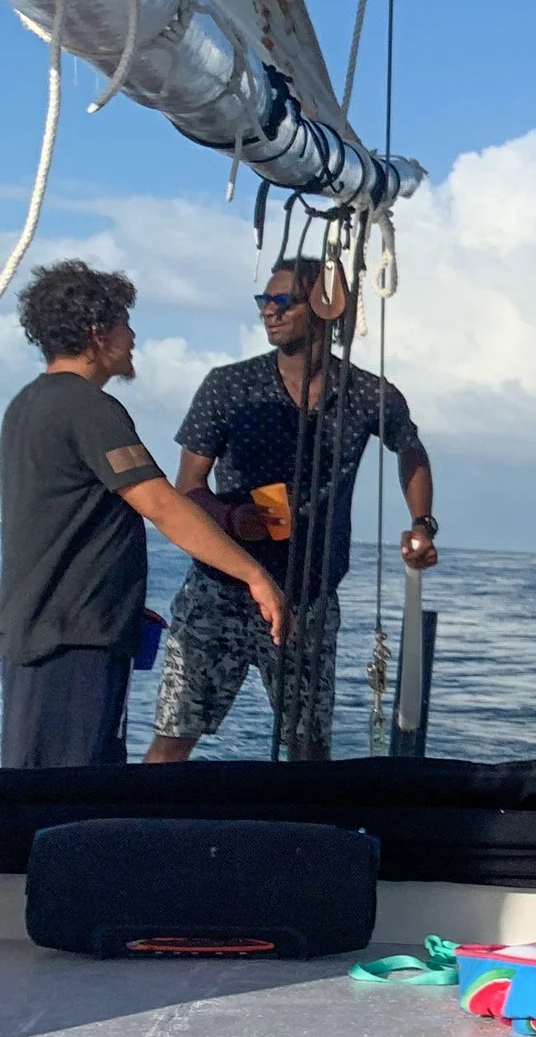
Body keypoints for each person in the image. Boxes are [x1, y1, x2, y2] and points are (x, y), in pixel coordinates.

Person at [144, 257, 438, 762]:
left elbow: (410, 449)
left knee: (308, 749)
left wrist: (421, 524)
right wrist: (235, 520)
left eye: (283, 301)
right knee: (175, 736)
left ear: (325, 307)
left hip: (310, 598)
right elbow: (188, 487)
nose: (269, 312)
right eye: (264, 301)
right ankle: (135, 836)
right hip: (223, 590)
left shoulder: (368, 393)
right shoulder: (228, 386)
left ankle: (310, 839)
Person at [1, 262, 284, 768]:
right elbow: (161, 504)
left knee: (40, 790)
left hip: (40, 634)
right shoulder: (88, 407)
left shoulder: (25, 405)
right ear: (97, 331)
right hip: (75, 640)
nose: (132, 338)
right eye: (125, 323)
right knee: (69, 801)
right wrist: (253, 574)